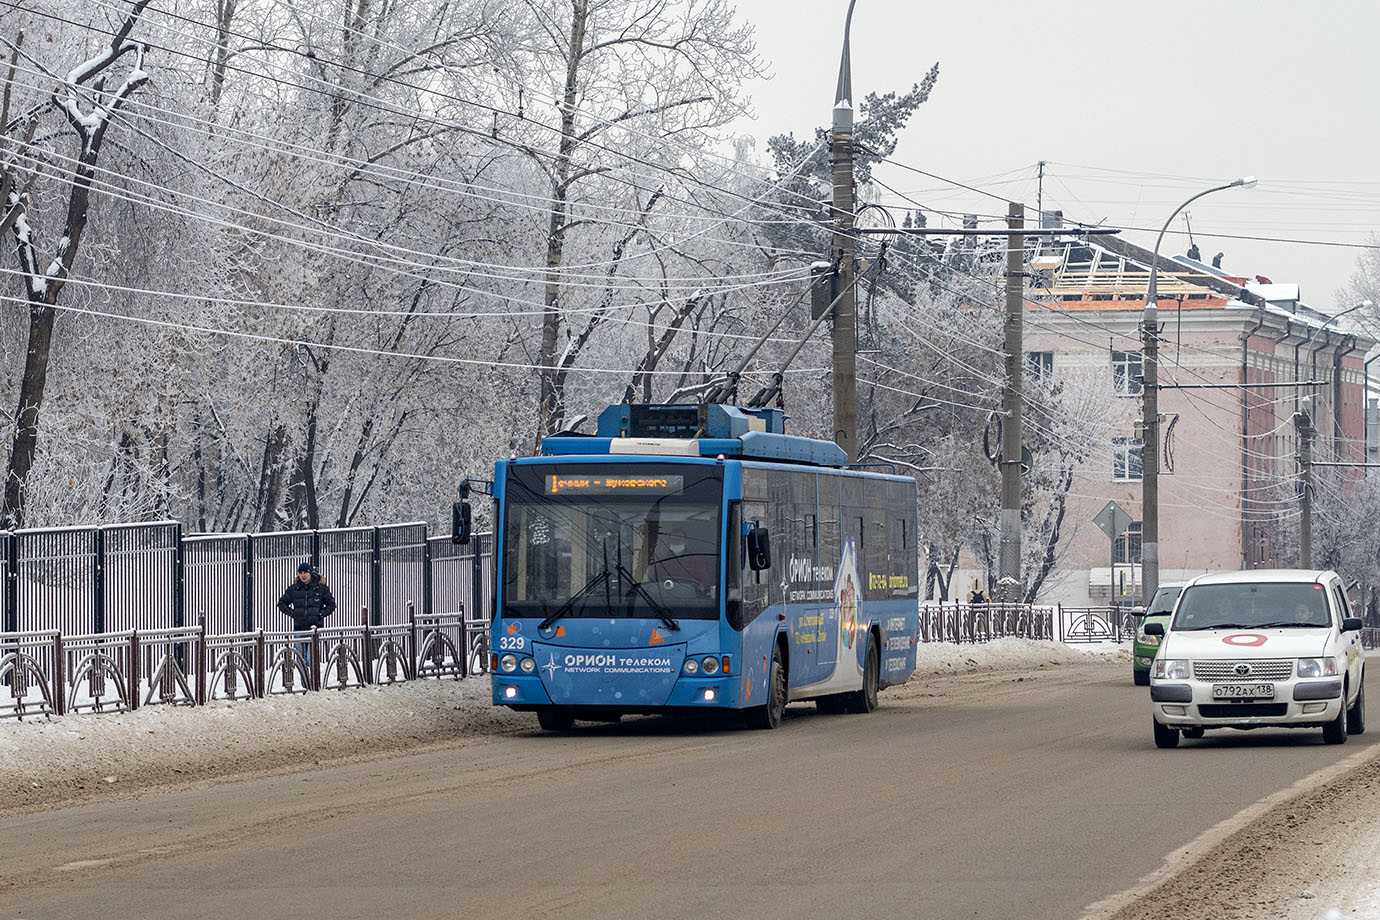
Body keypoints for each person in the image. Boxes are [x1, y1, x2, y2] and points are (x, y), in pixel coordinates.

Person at [278, 561, 336, 667]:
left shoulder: (320, 588)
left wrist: (321, 614)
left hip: (315, 628)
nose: (303, 575)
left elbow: (331, 604)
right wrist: (293, 613)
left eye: (305, 572)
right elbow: (281, 603)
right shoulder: (294, 589)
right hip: (299, 629)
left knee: (311, 658)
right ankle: (305, 683)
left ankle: (313, 683)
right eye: (300, 572)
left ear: (310, 573)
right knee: (301, 660)